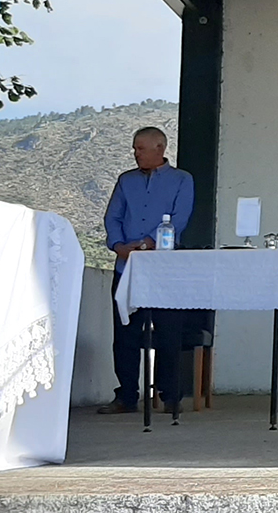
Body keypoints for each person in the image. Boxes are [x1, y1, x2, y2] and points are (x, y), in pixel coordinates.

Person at [98, 127, 194, 415]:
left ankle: (170, 395)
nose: (136, 153)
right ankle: (126, 395)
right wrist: (118, 245)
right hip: (127, 266)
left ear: (160, 148)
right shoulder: (125, 180)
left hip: (164, 267)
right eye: (134, 148)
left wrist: (151, 242)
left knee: (168, 331)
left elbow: (180, 217)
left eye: (141, 148)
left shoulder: (181, 180)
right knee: (125, 332)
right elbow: (112, 216)